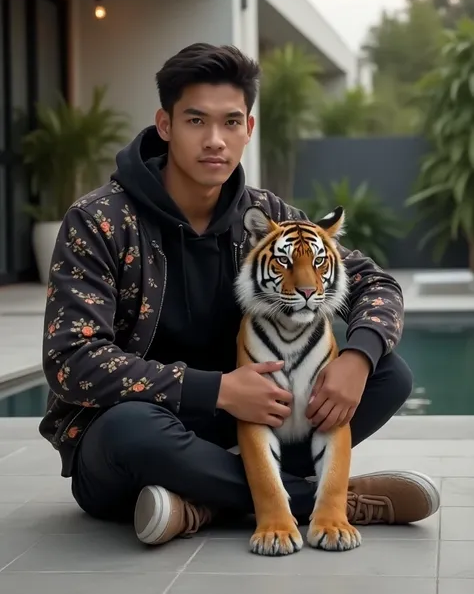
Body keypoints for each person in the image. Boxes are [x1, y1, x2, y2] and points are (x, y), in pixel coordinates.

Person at [39, 43, 439, 547]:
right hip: (134, 444)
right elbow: (71, 360)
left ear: (248, 129)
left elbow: (374, 283)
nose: (215, 141)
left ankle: (201, 503)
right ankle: (316, 499)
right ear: (164, 125)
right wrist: (220, 390)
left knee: (390, 375)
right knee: (129, 429)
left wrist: (358, 356)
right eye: (195, 121)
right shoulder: (99, 220)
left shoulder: (267, 214)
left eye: (231, 122)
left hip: (248, 433)